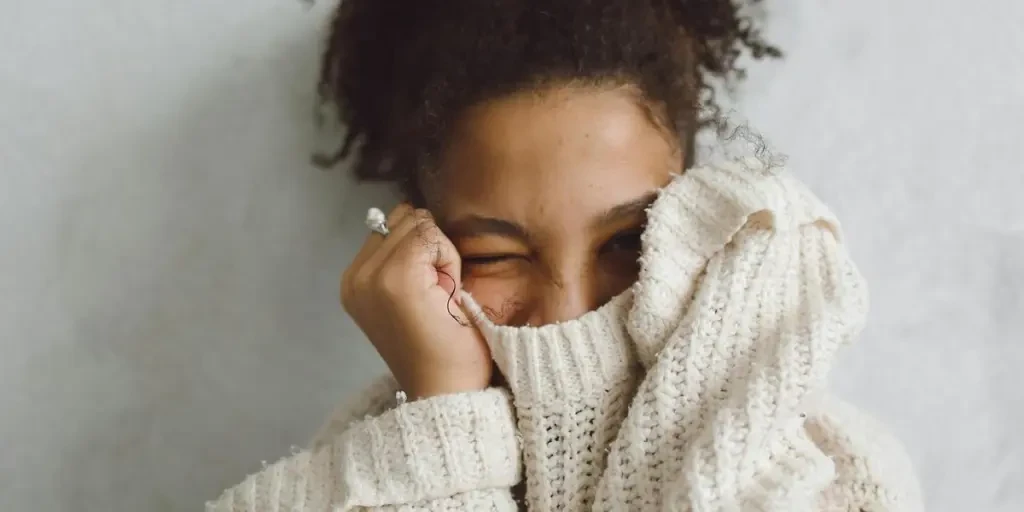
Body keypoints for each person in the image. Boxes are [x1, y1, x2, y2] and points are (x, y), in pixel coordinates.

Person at [207, 0, 923, 510]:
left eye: (627, 242)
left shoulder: (831, 470)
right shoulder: (366, 475)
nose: (568, 311)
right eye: (494, 254)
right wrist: (445, 416)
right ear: (418, 245)